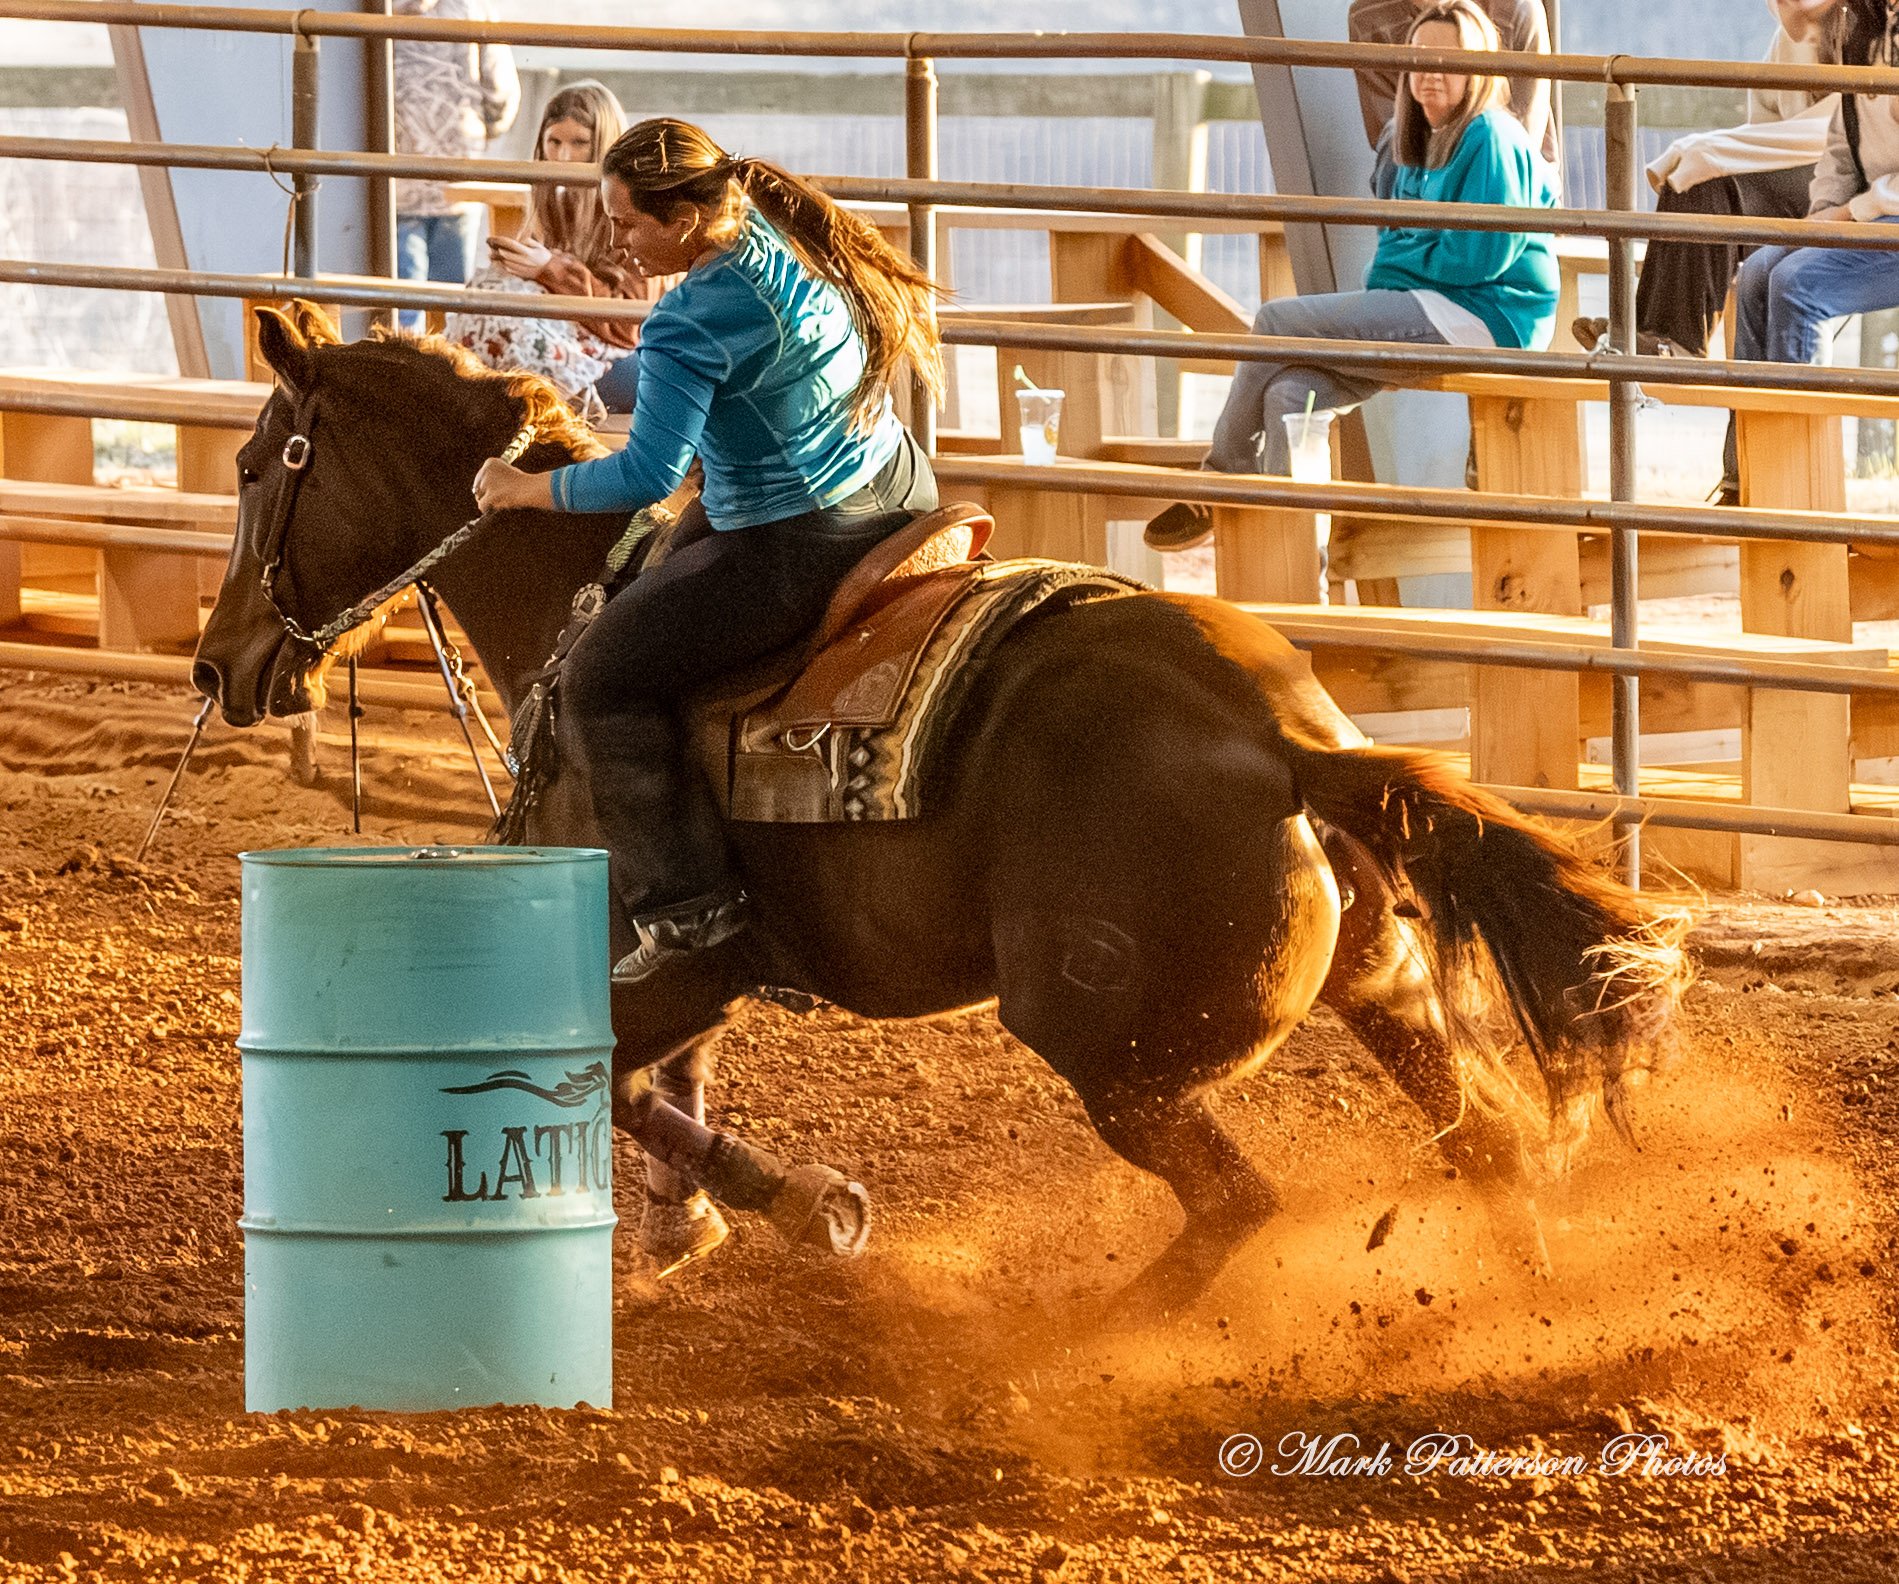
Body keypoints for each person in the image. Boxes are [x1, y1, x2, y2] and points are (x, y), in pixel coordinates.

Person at [471, 118, 944, 983]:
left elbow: (648, 475)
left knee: (602, 679)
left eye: (627, 223)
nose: (616, 238)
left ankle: (688, 908)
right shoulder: (775, 234)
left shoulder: (689, 317)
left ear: (684, 220)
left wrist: (523, 488)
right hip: (894, 484)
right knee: (650, 570)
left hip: (799, 534)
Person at [1146, 0, 1558, 552]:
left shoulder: (1491, 135)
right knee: (1292, 395)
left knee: (1275, 319)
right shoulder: (1408, 139)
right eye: (1418, 58)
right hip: (1430, 304)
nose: (1431, 71)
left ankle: (1220, 477)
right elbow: (1395, 248)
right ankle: (1295, 575)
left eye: (1449, 59)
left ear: (1480, 69)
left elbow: (1479, 258)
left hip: (1490, 315)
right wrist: (1411, 260)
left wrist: (1413, 255)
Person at [1573, 0, 1846, 360]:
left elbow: (1852, 123)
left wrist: (1730, 154)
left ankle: (1678, 343)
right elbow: (1762, 121)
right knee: (1691, 172)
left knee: (1711, 176)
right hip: (1792, 161)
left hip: (1842, 176)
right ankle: (1648, 334)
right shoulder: (1786, 40)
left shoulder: (1865, 24)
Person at [1718, 0, 1899, 501]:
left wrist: (1848, 214)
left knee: (1800, 284)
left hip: (1887, 208)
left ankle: (1798, 497)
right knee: (1758, 270)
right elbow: (1842, 140)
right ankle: (1748, 479)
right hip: (1874, 208)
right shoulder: (1860, 22)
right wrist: (1824, 211)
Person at [445, 81, 678, 415]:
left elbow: (630, 326)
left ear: (605, 146)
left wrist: (549, 269)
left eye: (579, 143)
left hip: (633, 360)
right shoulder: (558, 206)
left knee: (507, 337)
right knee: (487, 295)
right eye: (554, 142)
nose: (564, 156)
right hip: (575, 342)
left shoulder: (636, 211)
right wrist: (520, 268)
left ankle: (561, 407)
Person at [393, 0, 519, 329]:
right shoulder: (472, 7)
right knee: (452, 304)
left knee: (401, 307)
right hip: (457, 175)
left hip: (394, 178)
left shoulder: (374, 10)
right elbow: (499, 90)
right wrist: (482, 131)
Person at [1348, 0, 1556, 193]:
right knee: (1395, 144)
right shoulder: (1368, 17)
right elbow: (1391, 134)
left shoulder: (1516, 7)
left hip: (1505, 164)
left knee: (1494, 145)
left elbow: (1525, 135)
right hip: (1422, 164)